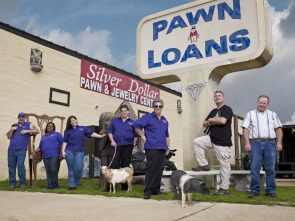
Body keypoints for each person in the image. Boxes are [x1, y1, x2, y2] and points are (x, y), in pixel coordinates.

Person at [192, 91, 233, 196]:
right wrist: (212, 120)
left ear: (223, 98)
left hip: (222, 141)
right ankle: (203, 164)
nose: (217, 97)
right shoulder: (213, 111)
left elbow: (223, 121)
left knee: (224, 165)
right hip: (212, 138)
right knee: (197, 142)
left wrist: (211, 120)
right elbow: (204, 124)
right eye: (215, 96)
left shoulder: (227, 109)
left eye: (219, 96)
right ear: (214, 99)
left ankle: (224, 189)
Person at [242, 95, 283, 198]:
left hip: (270, 143)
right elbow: (245, 130)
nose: (262, 105)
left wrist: (279, 143)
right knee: (255, 168)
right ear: (257, 102)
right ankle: (255, 190)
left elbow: (278, 130)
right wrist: (247, 143)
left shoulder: (273, 115)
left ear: (267, 104)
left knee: (270, 168)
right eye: (260, 102)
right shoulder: (250, 114)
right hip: (255, 143)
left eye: (264, 103)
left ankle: (270, 190)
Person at [133, 99, 170, 199]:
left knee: (159, 169)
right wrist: (143, 136)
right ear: (153, 107)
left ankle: (156, 190)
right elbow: (136, 125)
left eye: (160, 106)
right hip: (152, 146)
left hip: (162, 147)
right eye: (156, 106)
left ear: (162, 107)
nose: (158, 108)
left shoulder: (164, 120)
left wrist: (168, 147)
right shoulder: (147, 117)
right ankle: (148, 190)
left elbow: (167, 135)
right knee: (151, 169)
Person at [61, 116, 105, 190]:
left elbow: (91, 133)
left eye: (74, 120)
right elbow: (65, 142)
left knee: (78, 168)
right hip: (69, 150)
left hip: (79, 151)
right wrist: (63, 151)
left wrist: (100, 136)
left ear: (76, 120)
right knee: (71, 168)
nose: (73, 122)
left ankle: (77, 182)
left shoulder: (82, 128)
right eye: (71, 121)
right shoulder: (67, 131)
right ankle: (72, 185)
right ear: (70, 123)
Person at [106, 105, 139, 191]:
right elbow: (109, 132)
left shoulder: (132, 122)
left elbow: (136, 135)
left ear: (128, 112)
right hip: (116, 146)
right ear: (120, 112)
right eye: (122, 111)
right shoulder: (115, 121)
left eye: (125, 110)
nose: (123, 112)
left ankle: (124, 187)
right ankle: (109, 188)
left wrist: (133, 143)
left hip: (128, 146)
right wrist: (112, 141)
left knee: (125, 166)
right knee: (114, 165)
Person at [7, 112, 40, 188]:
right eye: (19, 117)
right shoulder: (14, 125)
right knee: (11, 166)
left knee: (20, 165)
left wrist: (26, 131)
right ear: (18, 118)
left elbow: (37, 131)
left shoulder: (28, 124)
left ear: (25, 118)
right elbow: (9, 137)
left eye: (22, 117)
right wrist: (12, 129)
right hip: (11, 149)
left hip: (21, 149)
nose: (21, 118)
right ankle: (12, 183)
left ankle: (23, 183)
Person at [33, 122, 63, 190]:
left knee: (53, 170)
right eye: (48, 126)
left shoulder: (57, 134)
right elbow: (40, 147)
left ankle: (55, 186)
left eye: (51, 126)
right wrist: (34, 151)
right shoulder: (44, 136)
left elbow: (62, 144)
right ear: (46, 127)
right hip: (45, 156)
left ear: (53, 128)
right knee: (48, 171)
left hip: (54, 155)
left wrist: (61, 153)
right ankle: (50, 186)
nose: (50, 127)